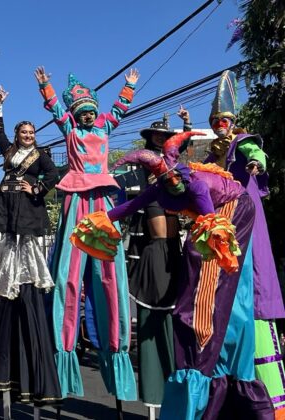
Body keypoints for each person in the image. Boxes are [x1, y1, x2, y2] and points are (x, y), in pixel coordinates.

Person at [82, 131, 273, 419]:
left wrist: (214, 245)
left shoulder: (196, 184)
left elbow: (210, 221)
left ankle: (201, 349)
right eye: (167, 182)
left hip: (235, 207)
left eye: (175, 180)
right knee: (203, 266)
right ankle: (206, 358)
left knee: (203, 265)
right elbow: (131, 206)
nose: (173, 184)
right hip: (214, 214)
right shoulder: (159, 189)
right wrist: (100, 220)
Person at [34, 65, 139, 400]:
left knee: (109, 274)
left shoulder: (104, 126)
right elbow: (56, 110)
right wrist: (46, 86)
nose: (88, 116)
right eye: (82, 113)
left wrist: (128, 87)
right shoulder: (71, 130)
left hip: (103, 201)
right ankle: (64, 359)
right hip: (78, 200)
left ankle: (115, 354)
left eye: (91, 111)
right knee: (69, 274)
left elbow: (119, 111)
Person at [203, 70, 285, 417]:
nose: (221, 125)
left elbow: (257, 153)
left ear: (233, 121)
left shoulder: (242, 142)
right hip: (220, 236)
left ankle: (272, 406)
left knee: (254, 299)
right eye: (216, 121)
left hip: (247, 230)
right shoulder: (210, 159)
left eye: (225, 120)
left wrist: (255, 162)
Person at [0, 86, 62, 406]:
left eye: (31, 132)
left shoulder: (40, 155)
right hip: (7, 209)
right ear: (18, 135)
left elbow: (55, 173)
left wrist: (38, 188)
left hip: (29, 211)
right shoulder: (8, 152)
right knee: (7, 251)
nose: (28, 135)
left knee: (28, 255)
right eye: (24, 132)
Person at [124, 109, 190, 409]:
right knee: (161, 241)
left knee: (171, 242)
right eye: (157, 134)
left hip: (172, 205)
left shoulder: (173, 155)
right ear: (150, 137)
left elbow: (184, 144)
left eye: (165, 135)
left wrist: (187, 123)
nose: (161, 138)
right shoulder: (145, 158)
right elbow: (132, 179)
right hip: (152, 204)